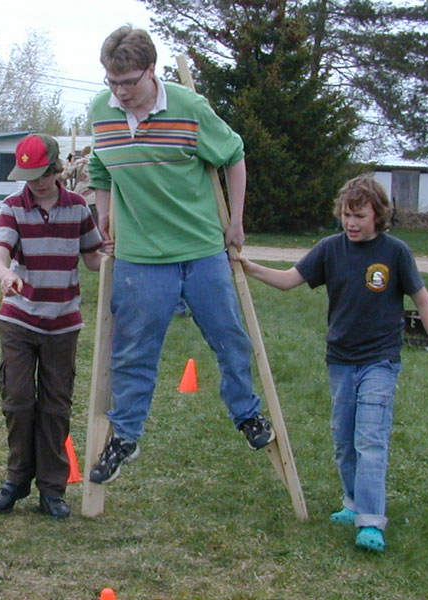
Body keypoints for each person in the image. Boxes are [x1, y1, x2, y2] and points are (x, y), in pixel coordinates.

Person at [87, 25, 275, 485]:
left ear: (151, 71)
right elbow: (99, 168)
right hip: (140, 256)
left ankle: (246, 414)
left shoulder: (190, 109)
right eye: (113, 81)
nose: (121, 92)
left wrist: (235, 219)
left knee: (230, 339)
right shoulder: (100, 111)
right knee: (133, 350)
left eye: (129, 82)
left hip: (200, 249)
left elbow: (233, 155)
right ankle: (126, 436)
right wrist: (103, 216)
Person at [236, 174, 428, 553]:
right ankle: (353, 504)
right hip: (340, 361)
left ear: (378, 215)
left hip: (380, 361)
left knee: (370, 439)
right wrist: (250, 268)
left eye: (360, 216)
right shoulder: (330, 249)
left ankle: (371, 521)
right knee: (345, 440)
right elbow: (289, 280)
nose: (351, 223)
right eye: (346, 215)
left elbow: (423, 300)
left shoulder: (395, 252)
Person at [0, 134, 108, 518]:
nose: (35, 182)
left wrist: (112, 255)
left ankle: (52, 489)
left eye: (41, 174)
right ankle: (17, 478)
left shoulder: (77, 208)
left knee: (56, 406)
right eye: (28, 175)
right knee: (19, 399)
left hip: (62, 323)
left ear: (56, 169)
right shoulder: (13, 207)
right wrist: (5, 274)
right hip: (19, 319)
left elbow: (92, 259)